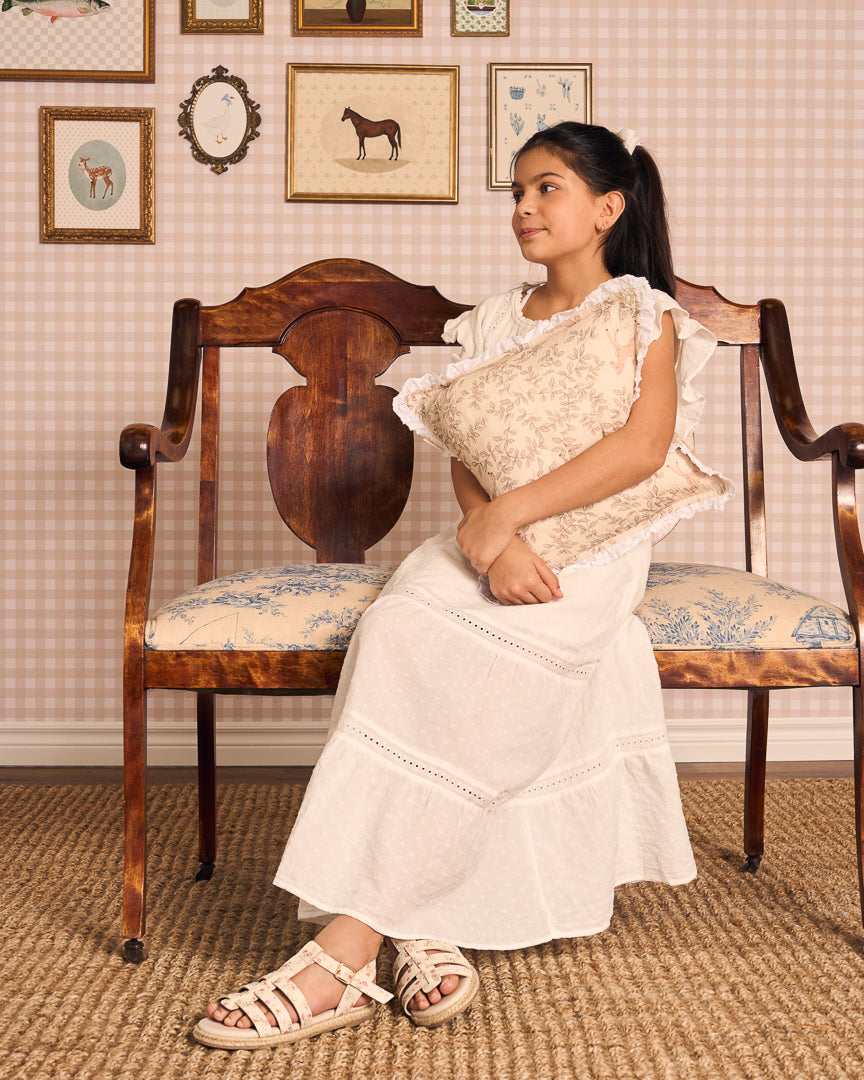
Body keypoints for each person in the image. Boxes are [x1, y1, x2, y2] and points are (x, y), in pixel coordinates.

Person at [193, 122, 728, 1050]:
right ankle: (418, 920)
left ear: (609, 206)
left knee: (494, 673)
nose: (523, 208)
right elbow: (468, 449)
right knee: (401, 631)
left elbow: (643, 450)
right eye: (516, 191)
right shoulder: (489, 322)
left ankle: (342, 956)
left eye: (547, 188)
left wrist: (510, 521)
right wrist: (487, 541)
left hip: (588, 553)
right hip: (490, 542)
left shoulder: (645, 315)